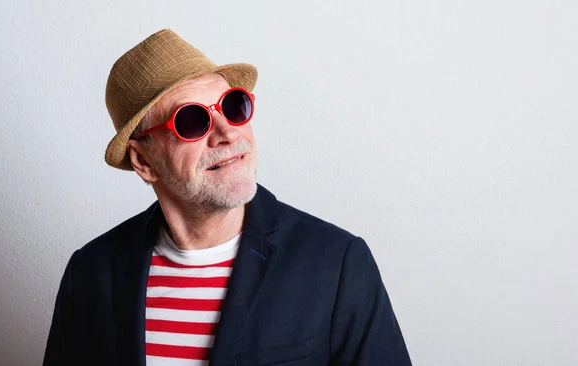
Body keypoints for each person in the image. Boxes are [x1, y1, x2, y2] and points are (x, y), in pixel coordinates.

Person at [43, 29, 412, 366]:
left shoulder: (338, 264)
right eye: (191, 121)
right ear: (144, 161)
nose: (227, 133)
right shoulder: (89, 274)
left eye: (233, 106)